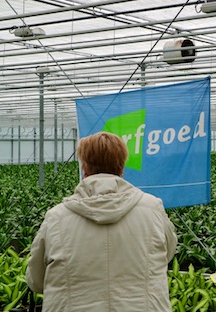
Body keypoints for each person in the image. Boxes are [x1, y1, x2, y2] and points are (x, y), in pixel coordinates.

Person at [26, 131, 177, 312]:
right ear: (121, 167)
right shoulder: (152, 208)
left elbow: (36, 279)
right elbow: (167, 254)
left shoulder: (57, 217)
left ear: (84, 168)